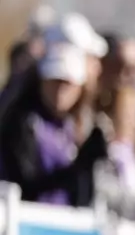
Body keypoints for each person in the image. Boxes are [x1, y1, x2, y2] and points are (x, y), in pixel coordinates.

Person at [0, 43, 110, 206]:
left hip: (60, 224)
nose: (60, 91)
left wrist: (88, 166)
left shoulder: (70, 128)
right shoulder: (23, 121)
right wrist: (78, 167)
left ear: (80, 88)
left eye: (67, 84)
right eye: (54, 81)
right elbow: (26, 186)